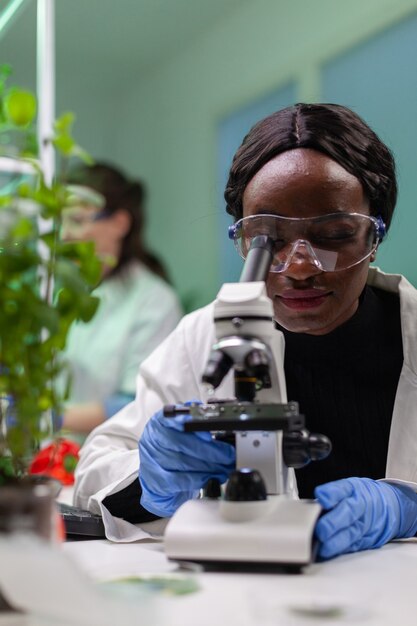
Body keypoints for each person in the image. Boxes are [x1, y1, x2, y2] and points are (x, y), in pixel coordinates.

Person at [74, 104, 417, 559]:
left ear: (374, 238)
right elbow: (93, 475)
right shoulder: (204, 337)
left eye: (334, 234)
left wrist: (408, 505)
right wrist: (150, 478)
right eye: (267, 239)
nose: (298, 268)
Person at [59, 162, 183, 434]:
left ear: (119, 223)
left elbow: (137, 404)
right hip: (57, 461)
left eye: (77, 221)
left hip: (115, 462)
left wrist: (53, 419)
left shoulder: (154, 301)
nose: (64, 234)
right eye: (61, 221)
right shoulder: (65, 292)